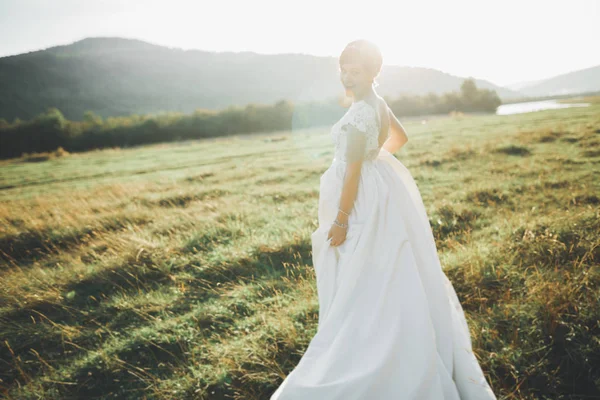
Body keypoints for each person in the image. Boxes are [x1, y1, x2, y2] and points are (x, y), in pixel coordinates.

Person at [270, 39, 497, 400]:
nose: (346, 76)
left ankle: (372, 350)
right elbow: (400, 138)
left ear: (373, 72)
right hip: (380, 194)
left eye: (355, 71)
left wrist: (342, 219)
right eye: (342, 69)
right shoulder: (377, 102)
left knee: (363, 273)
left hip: (360, 202)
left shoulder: (361, 112)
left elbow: (353, 174)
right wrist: (377, 157)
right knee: (385, 268)